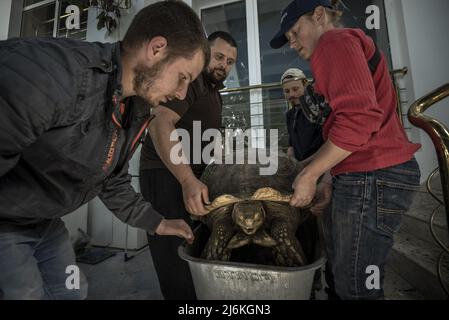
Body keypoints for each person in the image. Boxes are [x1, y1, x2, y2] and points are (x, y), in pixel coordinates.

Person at [0, 1, 210, 300]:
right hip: (6, 220)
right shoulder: (56, 72)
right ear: (157, 48)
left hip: (44, 222)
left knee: (71, 291)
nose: (181, 93)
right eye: (183, 77)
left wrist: (157, 223)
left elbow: (109, 180)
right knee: (26, 292)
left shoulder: (136, 109)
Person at [270, 0, 421, 299]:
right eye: (289, 39)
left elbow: (359, 119)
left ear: (319, 15)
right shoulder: (347, 45)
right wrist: (326, 178)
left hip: (374, 174)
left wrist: (310, 174)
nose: (293, 43)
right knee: (346, 280)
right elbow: (349, 131)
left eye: (296, 32)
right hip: (368, 174)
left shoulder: (333, 42)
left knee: (355, 288)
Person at [139, 31, 238, 300]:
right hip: (165, 175)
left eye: (229, 62)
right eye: (219, 57)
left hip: (189, 178)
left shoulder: (214, 93)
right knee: (175, 260)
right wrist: (186, 180)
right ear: (204, 52)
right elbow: (160, 123)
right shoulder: (190, 82)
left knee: (193, 251)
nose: (223, 65)